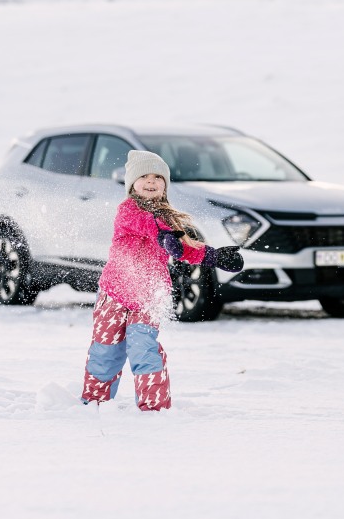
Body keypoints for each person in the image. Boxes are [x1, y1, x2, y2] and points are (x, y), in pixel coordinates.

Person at [80, 150, 244, 410]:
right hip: (114, 295)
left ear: (165, 185)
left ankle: (154, 408)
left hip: (147, 297)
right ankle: (95, 404)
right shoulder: (127, 211)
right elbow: (147, 225)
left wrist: (214, 256)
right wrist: (164, 236)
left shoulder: (168, 221)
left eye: (158, 177)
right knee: (106, 351)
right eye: (144, 176)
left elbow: (185, 247)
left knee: (145, 350)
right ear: (132, 183)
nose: (151, 181)